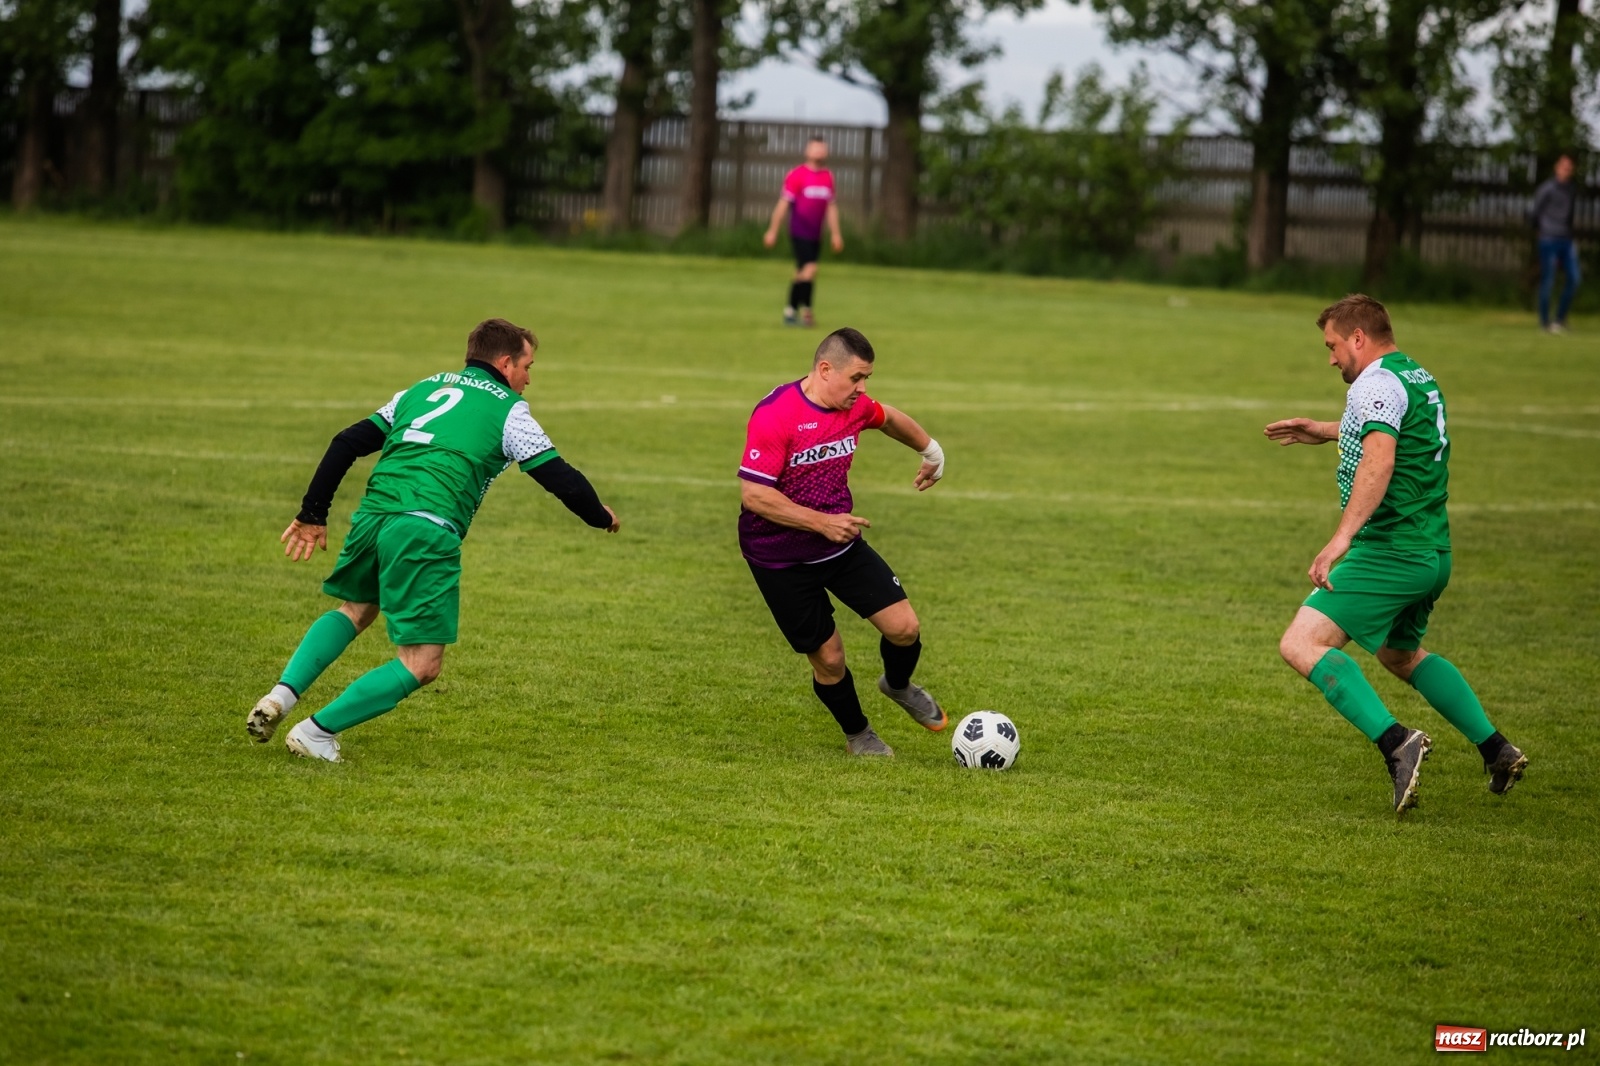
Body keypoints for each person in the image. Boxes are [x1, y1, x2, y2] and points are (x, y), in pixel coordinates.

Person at [246, 318, 620, 762]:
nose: (528, 378)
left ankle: (279, 699)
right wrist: (601, 517)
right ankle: (315, 733)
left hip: (375, 517)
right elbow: (561, 478)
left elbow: (346, 442)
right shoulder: (509, 410)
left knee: (356, 610)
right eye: (527, 366)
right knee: (422, 664)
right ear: (505, 363)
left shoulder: (420, 390)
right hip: (424, 528)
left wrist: (313, 513)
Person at [1266, 295, 1527, 817]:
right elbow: (1393, 433)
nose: (1331, 358)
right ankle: (1496, 749)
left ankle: (1397, 743)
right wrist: (1325, 429)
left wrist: (1340, 540)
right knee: (1399, 654)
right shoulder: (1413, 376)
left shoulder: (1374, 384)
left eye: (1333, 346)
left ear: (1358, 338)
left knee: (1300, 643)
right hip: (1432, 552)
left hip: (1391, 549)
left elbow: (1380, 460)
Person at [738, 327, 946, 756]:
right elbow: (754, 496)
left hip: (839, 543)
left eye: (867, 378)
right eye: (856, 378)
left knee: (905, 628)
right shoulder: (777, 414)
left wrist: (932, 452)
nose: (863, 388)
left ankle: (899, 684)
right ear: (825, 368)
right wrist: (821, 523)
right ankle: (858, 734)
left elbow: (888, 418)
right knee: (830, 659)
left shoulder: (854, 407)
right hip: (779, 559)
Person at [763, 136, 844, 328]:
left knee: (805, 271)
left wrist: (836, 233)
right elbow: (783, 205)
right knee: (810, 268)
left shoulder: (827, 177)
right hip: (799, 231)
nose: (819, 152)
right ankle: (798, 311)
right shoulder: (797, 175)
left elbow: (831, 208)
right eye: (815, 148)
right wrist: (772, 230)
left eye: (822, 148)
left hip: (816, 234)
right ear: (807, 151)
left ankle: (798, 310)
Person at [1530, 154, 1581, 334]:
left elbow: (1570, 217)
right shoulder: (1547, 189)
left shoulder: (1571, 190)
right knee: (1548, 280)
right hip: (1548, 239)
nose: (1566, 170)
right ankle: (1545, 322)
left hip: (1566, 240)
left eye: (1569, 167)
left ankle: (1560, 319)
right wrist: (1542, 231)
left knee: (1574, 278)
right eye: (1563, 166)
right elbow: (1535, 213)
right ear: (1556, 167)